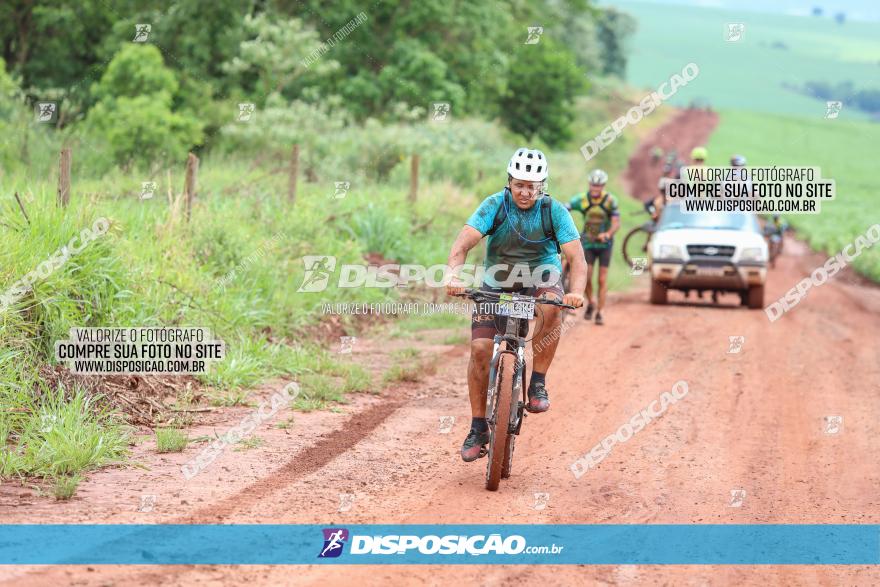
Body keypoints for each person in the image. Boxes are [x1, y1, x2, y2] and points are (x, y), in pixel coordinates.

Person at [445, 148, 587, 462]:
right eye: (519, 184)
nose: (525, 192)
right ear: (509, 181)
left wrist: (575, 292)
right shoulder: (494, 205)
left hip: (541, 276)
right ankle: (478, 425)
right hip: (497, 281)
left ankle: (537, 383)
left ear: (542, 186)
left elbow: (577, 258)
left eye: (532, 186)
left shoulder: (554, 211)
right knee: (481, 348)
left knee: (552, 307)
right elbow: (463, 243)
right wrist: (452, 275)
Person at [565, 169, 620, 325]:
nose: (596, 188)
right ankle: (592, 302)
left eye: (599, 185)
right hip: (588, 243)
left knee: (602, 280)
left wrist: (608, 234)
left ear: (603, 185)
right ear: (590, 184)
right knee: (587, 277)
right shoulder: (582, 199)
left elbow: (616, 222)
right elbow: (567, 206)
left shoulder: (610, 201)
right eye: (593, 185)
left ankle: (600, 312)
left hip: (605, 244)